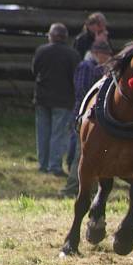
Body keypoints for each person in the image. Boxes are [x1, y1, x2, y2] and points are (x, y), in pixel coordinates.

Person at [60, 40, 112, 197]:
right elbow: (83, 91)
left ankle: (89, 188)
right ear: (98, 53)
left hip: (94, 118)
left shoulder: (96, 67)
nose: (108, 58)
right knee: (80, 154)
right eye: (107, 55)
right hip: (84, 117)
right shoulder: (86, 66)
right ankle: (71, 188)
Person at [32, 23, 81, 177]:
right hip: (63, 99)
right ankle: (55, 165)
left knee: (43, 132)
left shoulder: (41, 50)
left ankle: (43, 164)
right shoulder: (72, 54)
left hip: (42, 97)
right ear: (65, 37)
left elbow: (34, 70)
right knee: (59, 134)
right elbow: (76, 76)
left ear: (51, 36)